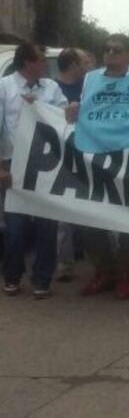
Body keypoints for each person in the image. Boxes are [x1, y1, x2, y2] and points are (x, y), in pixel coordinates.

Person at [68, 34, 129, 300]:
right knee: (91, 218)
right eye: (107, 49)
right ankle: (103, 272)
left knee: (127, 219)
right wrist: (74, 107)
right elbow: (83, 107)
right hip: (92, 152)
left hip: (128, 153)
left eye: (117, 50)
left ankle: (125, 275)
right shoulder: (91, 78)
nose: (110, 54)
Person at [0, 43, 68, 298]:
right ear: (28, 63)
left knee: (46, 227)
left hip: (44, 167)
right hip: (13, 166)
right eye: (41, 60)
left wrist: (66, 111)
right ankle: (13, 276)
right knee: (15, 228)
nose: (45, 65)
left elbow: (63, 117)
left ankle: (42, 280)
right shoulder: (4, 87)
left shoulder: (51, 88)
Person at [53, 48, 86, 283]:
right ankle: (65, 264)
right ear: (74, 64)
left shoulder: (89, 87)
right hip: (60, 157)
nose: (87, 66)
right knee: (63, 215)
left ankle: (104, 260)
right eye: (83, 62)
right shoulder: (52, 89)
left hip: (88, 155)